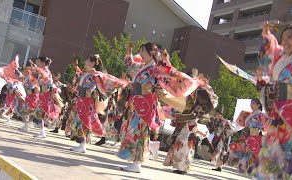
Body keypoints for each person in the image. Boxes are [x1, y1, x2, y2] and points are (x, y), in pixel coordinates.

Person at [118, 42, 199, 173]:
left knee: (139, 132)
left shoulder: (155, 68)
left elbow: (171, 73)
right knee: (134, 131)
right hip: (138, 103)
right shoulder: (142, 67)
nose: (141, 54)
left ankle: (137, 162)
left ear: (151, 53)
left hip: (146, 104)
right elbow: (128, 65)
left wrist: (165, 60)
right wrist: (129, 52)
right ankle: (135, 161)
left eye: (143, 51)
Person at [254, 23, 292, 179]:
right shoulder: (282, 57)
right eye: (283, 38)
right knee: (272, 152)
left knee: (288, 153)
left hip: (291, 114)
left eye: (290, 37)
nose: (285, 41)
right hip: (278, 111)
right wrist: (267, 34)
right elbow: (269, 54)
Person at [69, 54, 128, 153]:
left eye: (87, 60)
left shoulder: (95, 74)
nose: (84, 62)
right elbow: (79, 74)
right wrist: (76, 67)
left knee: (84, 121)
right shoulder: (87, 73)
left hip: (87, 100)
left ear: (92, 63)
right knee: (80, 121)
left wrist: (96, 72)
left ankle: (82, 144)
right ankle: (82, 144)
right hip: (82, 99)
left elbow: (106, 78)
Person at [228, 98, 269, 175]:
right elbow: (240, 125)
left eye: (253, 103)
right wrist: (233, 130)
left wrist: (262, 130)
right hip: (246, 136)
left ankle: (249, 166)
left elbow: (267, 126)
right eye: (251, 103)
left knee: (250, 154)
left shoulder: (261, 115)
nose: (251, 105)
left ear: (258, 105)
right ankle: (249, 166)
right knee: (233, 149)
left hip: (255, 137)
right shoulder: (248, 114)